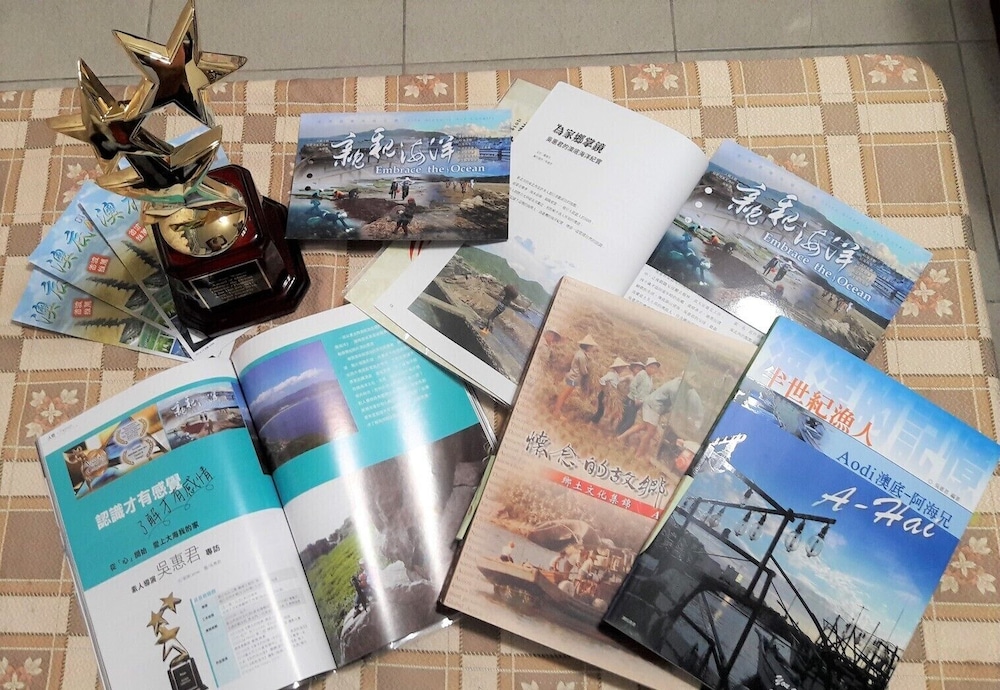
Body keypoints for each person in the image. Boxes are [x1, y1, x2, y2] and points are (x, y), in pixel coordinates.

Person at [635, 374, 705, 460]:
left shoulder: (679, 385)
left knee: (644, 427)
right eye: (690, 386)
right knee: (650, 432)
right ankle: (639, 454)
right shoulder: (675, 389)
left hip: (655, 406)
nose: (691, 388)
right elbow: (676, 407)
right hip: (654, 406)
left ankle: (624, 439)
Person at [552, 335, 598, 418]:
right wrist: (588, 374)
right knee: (564, 394)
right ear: (587, 347)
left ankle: (557, 409)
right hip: (573, 378)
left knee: (566, 394)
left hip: (573, 377)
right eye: (591, 347)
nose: (592, 348)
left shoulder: (581, 353)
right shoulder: (581, 356)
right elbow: (583, 370)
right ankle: (556, 411)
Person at [616, 358, 658, 435]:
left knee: (626, 419)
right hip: (632, 400)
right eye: (652, 367)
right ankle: (619, 435)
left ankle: (617, 433)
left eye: (655, 368)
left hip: (638, 403)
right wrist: (636, 397)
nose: (654, 370)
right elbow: (633, 385)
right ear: (647, 367)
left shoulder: (650, 378)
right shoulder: (642, 374)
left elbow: (648, 391)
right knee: (629, 421)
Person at [590, 357, 629, 425]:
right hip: (604, 394)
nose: (622, 369)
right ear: (617, 368)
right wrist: (606, 388)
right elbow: (602, 380)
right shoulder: (611, 374)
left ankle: (595, 422)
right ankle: (591, 423)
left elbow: (616, 382)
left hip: (608, 396)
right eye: (622, 368)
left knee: (603, 411)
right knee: (600, 411)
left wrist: (625, 380)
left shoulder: (616, 375)